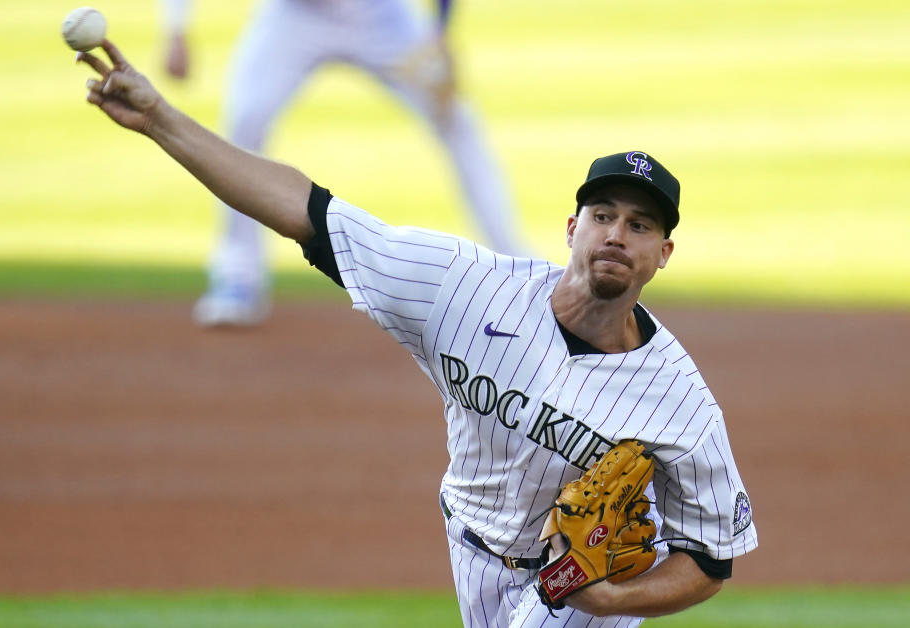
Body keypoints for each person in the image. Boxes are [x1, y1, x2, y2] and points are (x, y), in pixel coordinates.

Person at [76, 40, 758, 627]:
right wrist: (161, 121)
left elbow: (708, 559)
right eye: (603, 214)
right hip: (469, 549)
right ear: (570, 228)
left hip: (579, 587)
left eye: (640, 226)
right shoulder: (463, 287)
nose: (617, 234)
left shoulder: (680, 403)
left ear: (662, 254)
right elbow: (307, 212)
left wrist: (611, 599)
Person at [159, 0, 527, 327]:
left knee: (457, 122)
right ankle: (237, 275)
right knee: (245, 119)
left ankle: (518, 268)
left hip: (383, 17)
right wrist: (176, 27)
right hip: (293, 17)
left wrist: (439, 31)